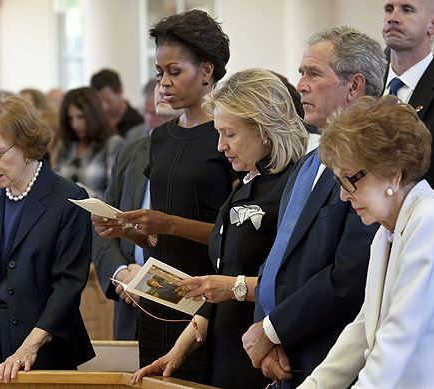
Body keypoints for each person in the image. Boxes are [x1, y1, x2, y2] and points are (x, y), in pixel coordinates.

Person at [132, 68, 309, 389]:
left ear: (264, 129)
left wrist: (234, 287)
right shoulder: (244, 185)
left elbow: (295, 282)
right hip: (222, 353)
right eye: (218, 133)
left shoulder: (295, 186)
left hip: (267, 356)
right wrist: (179, 349)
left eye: (230, 134)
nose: (220, 146)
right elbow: (222, 279)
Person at [93, 9, 234, 383]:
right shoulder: (160, 138)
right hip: (159, 300)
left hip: (208, 299)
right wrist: (125, 231)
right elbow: (157, 238)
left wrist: (166, 223)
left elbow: (233, 235)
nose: (164, 83)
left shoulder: (226, 137)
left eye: (175, 72)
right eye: (160, 73)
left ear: (206, 72)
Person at [242, 26, 385, 388]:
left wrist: (273, 331)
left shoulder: (373, 165)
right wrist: (267, 335)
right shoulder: (309, 163)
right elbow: (279, 258)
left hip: (330, 359)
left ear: (354, 87)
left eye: (313, 73)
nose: (300, 84)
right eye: (301, 72)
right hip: (284, 358)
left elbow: (350, 276)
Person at [299, 95, 434, 388]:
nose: (343, 195)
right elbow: (364, 327)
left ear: (392, 173)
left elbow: (399, 334)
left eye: (350, 180)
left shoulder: (431, 219)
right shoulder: (386, 231)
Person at [0, 96, 95, 382]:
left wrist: (30, 346)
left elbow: (68, 286)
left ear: (26, 145)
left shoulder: (69, 199)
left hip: (43, 346)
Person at [92, 79, 182, 341]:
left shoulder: (213, 153)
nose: (152, 118)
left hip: (178, 304)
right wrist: (121, 273)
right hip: (128, 299)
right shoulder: (131, 152)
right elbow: (105, 224)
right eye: (149, 111)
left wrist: (148, 284)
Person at [382, 0, 434, 221]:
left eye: (407, 10)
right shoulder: (368, 88)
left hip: (426, 234)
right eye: (389, 9)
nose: (393, 17)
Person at [53, 87, 124, 199]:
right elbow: (54, 184)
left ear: (94, 115)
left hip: (98, 214)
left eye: (80, 117)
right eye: (70, 119)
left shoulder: (113, 144)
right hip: (65, 214)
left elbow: (116, 194)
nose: (74, 125)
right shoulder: (65, 145)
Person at [90, 69, 144, 137]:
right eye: (99, 102)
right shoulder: (94, 122)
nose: (104, 107)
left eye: (108, 101)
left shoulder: (138, 122)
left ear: (120, 90)